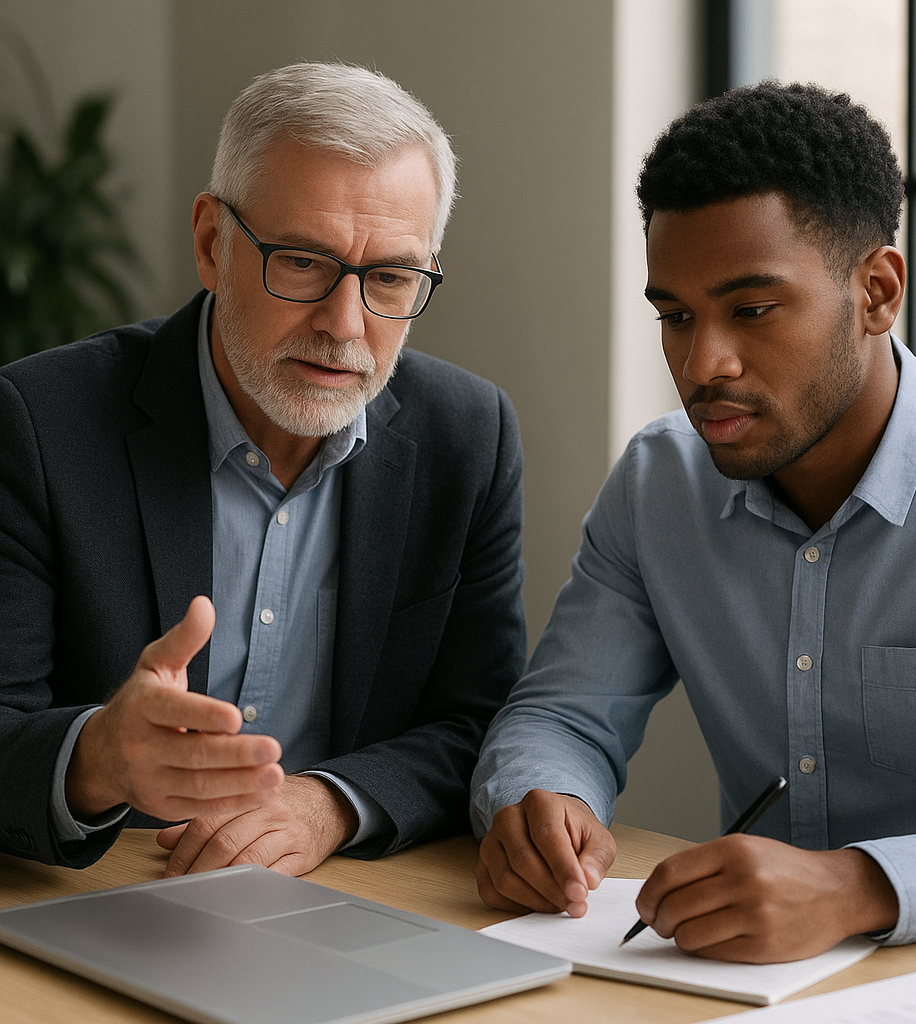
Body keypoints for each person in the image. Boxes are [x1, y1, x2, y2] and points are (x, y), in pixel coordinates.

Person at [470, 81, 916, 964]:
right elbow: (565, 715)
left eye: (752, 310)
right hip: (746, 982)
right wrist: (544, 800)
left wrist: (862, 884)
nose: (702, 364)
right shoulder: (658, 483)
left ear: (877, 291)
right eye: (675, 317)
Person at [0, 62, 525, 877]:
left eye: (389, 277)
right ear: (213, 244)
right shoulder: (38, 423)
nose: (345, 325)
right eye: (303, 263)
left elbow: (481, 721)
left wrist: (328, 803)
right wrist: (96, 757)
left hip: (346, 892)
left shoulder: (469, 436)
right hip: (104, 890)